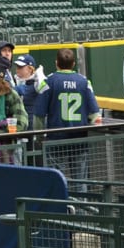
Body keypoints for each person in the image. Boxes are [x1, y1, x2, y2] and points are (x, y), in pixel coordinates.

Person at [32, 49, 103, 180]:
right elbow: (95, 115)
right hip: (79, 140)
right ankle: (81, 201)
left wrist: (39, 136)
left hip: (56, 140)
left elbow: (39, 115)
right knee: (81, 183)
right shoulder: (84, 82)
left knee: (59, 182)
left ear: (56, 63)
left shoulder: (49, 82)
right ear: (74, 63)